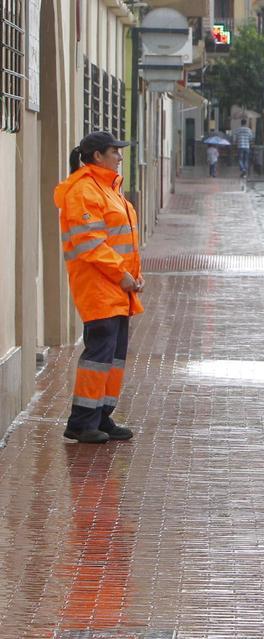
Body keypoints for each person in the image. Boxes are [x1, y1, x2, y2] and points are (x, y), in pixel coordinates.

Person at [53, 131, 146, 444]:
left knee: (113, 358)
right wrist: (122, 275)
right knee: (99, 355)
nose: (119, 157)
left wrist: (135, 275)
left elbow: (121, 241)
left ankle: (101, 416)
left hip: (117, 286)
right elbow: (91, 243)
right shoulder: (84, 191)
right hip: (98, 285)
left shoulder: (108, 189)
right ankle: (82, 422)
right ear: (97, 156)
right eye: (114, 152)